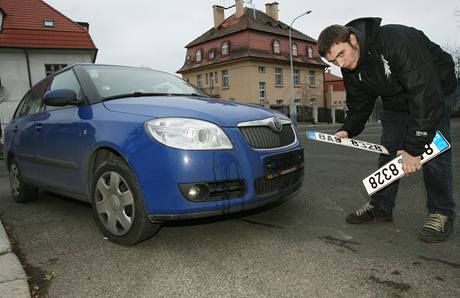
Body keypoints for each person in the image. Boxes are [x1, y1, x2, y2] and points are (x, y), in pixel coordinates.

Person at [317, 17, 458, 242]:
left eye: (341, 54)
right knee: (388, 151)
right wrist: (348, 129)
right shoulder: (350, 66)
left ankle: (441, 213)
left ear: (353, 40)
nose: (340, 64)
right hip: (396, 99)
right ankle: (381, 207)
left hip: (434, 89)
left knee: (433, 154)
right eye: (334, 61)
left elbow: (423, 93)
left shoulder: (396, 40)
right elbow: (359, 103)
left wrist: (414, 147)